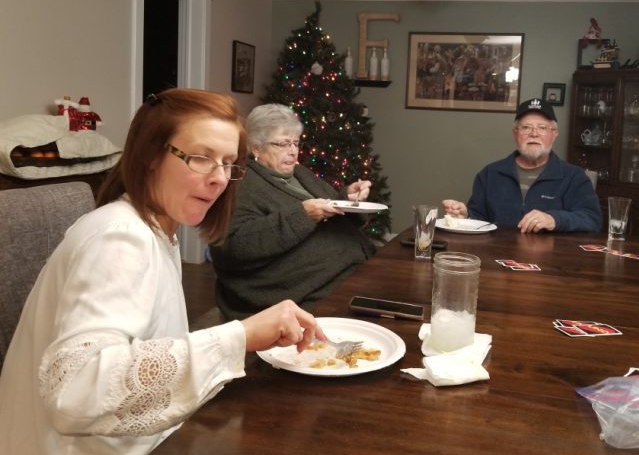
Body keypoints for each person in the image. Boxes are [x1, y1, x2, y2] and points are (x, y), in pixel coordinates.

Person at [0, 89, 323, 454]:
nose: (219, 178)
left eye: (228, 163)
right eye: (201, 157)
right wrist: (240, 336)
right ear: (151, 156)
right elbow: (76, 392)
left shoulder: (156, 230)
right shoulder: (120, 239)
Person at [209, 103, 376, 319]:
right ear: (256, 148)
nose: (293, 151)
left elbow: (330, 208)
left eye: (295, 143)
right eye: (283, 143)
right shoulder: (243, 184)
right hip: (301, 292)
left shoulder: (300, 173)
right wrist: (303, 215)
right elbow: (231, 247)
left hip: (348, 270)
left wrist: (347, 198)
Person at [443, 98, 601, 232]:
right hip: (497, 260)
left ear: (554, 135)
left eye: (542, 128)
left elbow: (593, 220)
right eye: (526, 127)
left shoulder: (574, 177)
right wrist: (465, 217)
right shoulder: (489, 174)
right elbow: (480, 220)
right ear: (515, 133)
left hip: (552, 264)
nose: (534, 133)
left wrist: (554, 219)